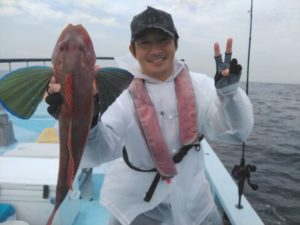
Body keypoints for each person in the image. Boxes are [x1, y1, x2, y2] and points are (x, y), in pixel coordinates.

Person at [47, 6, 253, 225]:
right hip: (138, 209)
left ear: (176, 43)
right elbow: (97, 152)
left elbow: (236, 133)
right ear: (133, 50)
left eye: (163, 40)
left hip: (196, 207)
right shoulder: (124, 95)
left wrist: (229, 95)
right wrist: (85, 115)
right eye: (145, 42)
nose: (155, 50)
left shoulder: (200, 86)